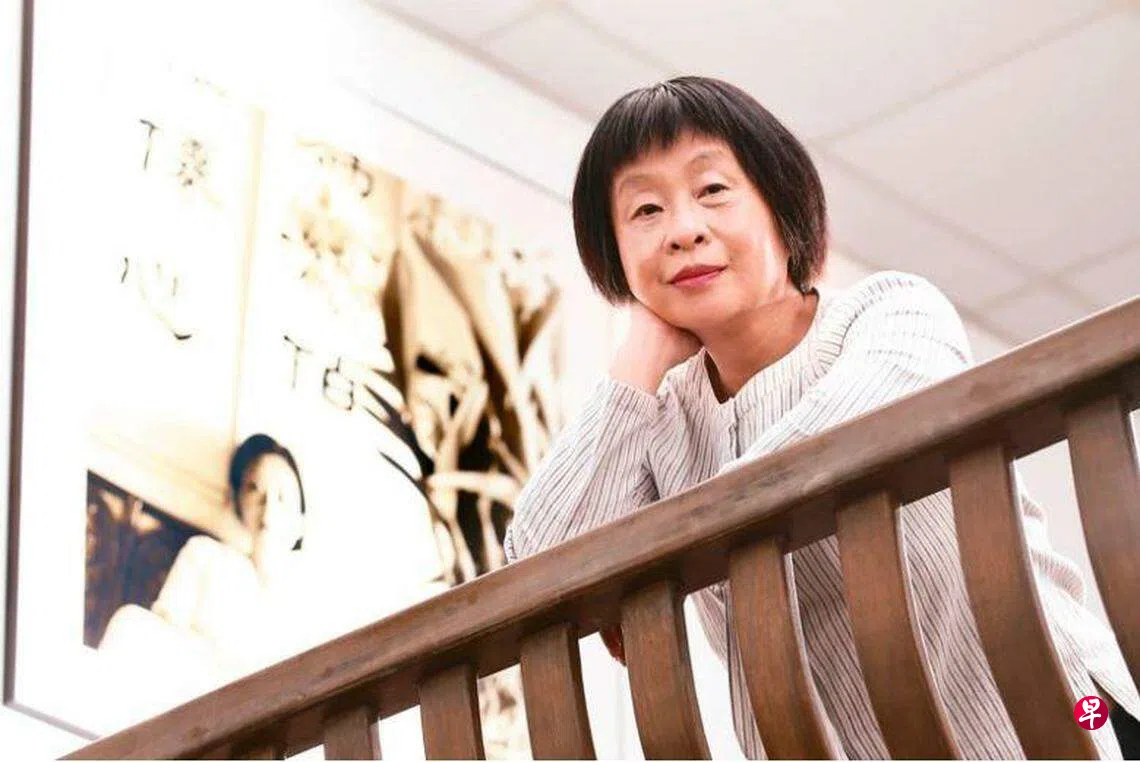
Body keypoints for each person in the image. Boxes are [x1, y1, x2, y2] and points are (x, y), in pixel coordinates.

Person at [502, 76, 1140, 759]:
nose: (684, 231)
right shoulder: (662, 425)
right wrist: (640, 357)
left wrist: (666, 550)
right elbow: (533, 576)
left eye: (712, 190)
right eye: (646, 210)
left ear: (781, 206)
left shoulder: (889, 313)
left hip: (1060, 725)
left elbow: (844, 440)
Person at [100, 434, 318, 697]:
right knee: (129, 625)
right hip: (200, 688)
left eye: (282, 496)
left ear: (300, 520)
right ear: (237, 501)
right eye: (254, 489)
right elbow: (165, 625)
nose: (268, 507)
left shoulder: (310, 594)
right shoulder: (204, 554)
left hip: (274, 698)